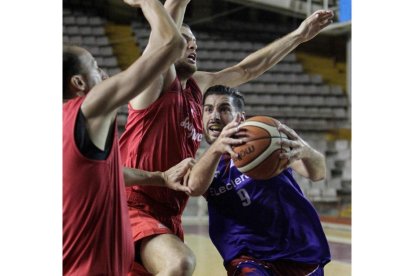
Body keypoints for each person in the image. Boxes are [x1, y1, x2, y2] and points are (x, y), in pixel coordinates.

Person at [119, 0, 334, 274]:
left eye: (195, 42)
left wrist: (299, 36)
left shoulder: (198, 90)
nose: (192, 45)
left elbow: (247, 70)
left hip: (168, 215)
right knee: (180, 263)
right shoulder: (153, 85)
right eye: (185, 40)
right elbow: (165, 40)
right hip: (132, 203)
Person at [62, 0, 189, 274]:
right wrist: (147, 1)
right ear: (79, 84)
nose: (105, 73)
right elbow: (170, 46)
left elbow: (109, 173)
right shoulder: (88, 108)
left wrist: (158, 178)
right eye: (95, 67)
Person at [186, 85, 331, 276]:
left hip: (297, 251)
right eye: (208, 109)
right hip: (247, 256)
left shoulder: (268, 142)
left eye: (224, 109)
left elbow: (318, 173)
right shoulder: (204, 163)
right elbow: (194, 187)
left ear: (240, 117)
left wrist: (306, 151)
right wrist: (217, 149)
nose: (214, 116)